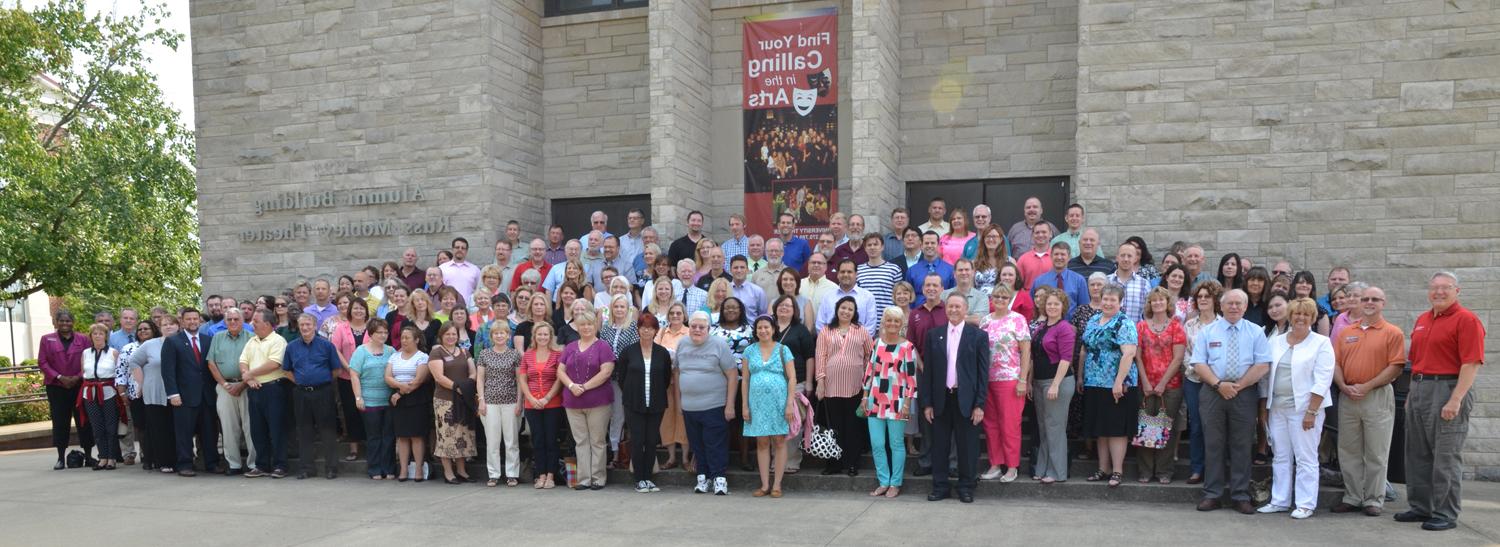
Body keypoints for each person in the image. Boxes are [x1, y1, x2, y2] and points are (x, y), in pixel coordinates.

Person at [1398, 272, 1485, 531]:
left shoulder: (1467, 320)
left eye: (1445, 288)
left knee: (1445, 456)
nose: (1439, 292)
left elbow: (1471, 363)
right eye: (1434, 288)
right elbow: (1416, 360)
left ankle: (1445, 513)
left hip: (1448, 388)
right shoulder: (1424, 319)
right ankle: (1420, 507)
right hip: (1420, 388)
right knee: (1417, 453)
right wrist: (1412, 394)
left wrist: (1456, 399)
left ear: (1457, 290)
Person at [1191, 289, 1272, 514]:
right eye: (1230, 303)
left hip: (1243, 392)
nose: (1234, 307)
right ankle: (1212, 494)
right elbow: (1198, 363)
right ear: (1222, 306)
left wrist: (1239, 386)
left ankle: (1240, 495)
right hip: (1212, 391)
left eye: (1239, 303)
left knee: (1242, 444)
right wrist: (1219, 385)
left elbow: (1263, 364)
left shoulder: (1256, 332)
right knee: (1214, 444)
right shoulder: (1208, 331)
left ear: (1245, 307)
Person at [1331, 285, 1405, 516]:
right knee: (1349, 450)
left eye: (1375, 299)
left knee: (1376, 451)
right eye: (1365, 299)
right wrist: (1343, 385)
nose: (1369, 302)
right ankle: (1352, 496)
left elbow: (1396, 367)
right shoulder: (1346, 332)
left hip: (1376, 396)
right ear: (1359, 303)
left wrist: (1367, 386)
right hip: (1348, 395)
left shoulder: (1392, 332)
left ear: (1383, 303)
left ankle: (1374, 499)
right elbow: (1335, 363)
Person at [1258, 297, 1334, 519]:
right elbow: (1266, 377)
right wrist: (1265, 408)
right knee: (1280, 456)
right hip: (1278, 408)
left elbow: (1323, 379)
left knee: (1305, 458)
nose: (1300, 318)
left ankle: (1305, 503)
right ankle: (1279, 500)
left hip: (1305, 410)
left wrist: (1311, 411)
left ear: (1312, 318)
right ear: (1290, 316)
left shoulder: (1321, 343)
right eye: (1296, 314)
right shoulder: (1276, 341)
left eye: (1306, 314)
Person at [920, 293, 990, 503]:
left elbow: (982, 373)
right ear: (946, 308)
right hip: (941, 399)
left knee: (967, 446)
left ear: (966, 309)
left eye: (958, 307)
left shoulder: (977, 336)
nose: (953, 310)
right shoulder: (934, 335)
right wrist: (927, 403)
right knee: (940, 446)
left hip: (966, 400)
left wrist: (979, 404)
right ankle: (940, 486)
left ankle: (966, 487)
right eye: (950, 306)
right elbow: (929, 372)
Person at [1078, 285, 1139, 488]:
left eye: (1113, 299)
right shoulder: (1093, 320)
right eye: (1105, 299)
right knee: (1100, 428)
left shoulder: (1125, 322)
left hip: (1116, 383)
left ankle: (1117, 471)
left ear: (1120, 302)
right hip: (1094, 381)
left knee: (1115, 429)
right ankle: (1102, 469)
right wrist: (1080, 377)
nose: (1108, 302)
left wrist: (1119, 382)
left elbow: (1129, 353)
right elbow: (1084, 349)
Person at [675, 311, 740, 495]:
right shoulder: (682, 344)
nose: (697, 330)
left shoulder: (719, 345)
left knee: (715, 444)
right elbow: (678, 373)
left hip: (714, 405)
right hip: (689, 406)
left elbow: (732, 375)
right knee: (697, 445)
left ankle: (719, 479)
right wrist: (679, 401)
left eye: (701, 327)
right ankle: (703, 478)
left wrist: (730, 405)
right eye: (694, 326)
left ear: (708, 329)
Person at [862, 306, 918, 497]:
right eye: (889, 320)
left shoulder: (908, 347)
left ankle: (895, 483)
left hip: (897, 400)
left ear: (901, 323)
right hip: (875, 399)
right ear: (884, 322)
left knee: (896, 443)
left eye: (896, 320)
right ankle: (883, 481)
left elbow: (911, 378)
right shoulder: (876, 343)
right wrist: (864, 396)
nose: (892, 324)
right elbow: (870, 371)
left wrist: (908, 403)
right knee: (877, 443)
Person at [815, 296, 874, 476]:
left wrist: (867, 382)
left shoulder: (861, 331)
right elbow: (821, 356)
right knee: (834, 426)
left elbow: (869, 356)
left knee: (853, 427)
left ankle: (852, 464)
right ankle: (834, 464)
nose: (846, 311)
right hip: (831, 386)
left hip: (855, 386)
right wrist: (820, 382)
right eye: (843, 308)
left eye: (850, 309)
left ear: (854, 312)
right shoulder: (826, 330)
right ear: (837, 309)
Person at [557, 309, 615, 490]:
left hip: (598, 401)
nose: (586, 327)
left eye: (590, 324)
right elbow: (560, 371)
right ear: (578, 328)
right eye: (582, 324)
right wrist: (572, 386)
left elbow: (606, 372)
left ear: (595, 325)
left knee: (597, 440)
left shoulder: (603, 346)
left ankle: (598, 478)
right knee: (580, 441)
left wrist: (584, 387)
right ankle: (583, 479)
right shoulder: (570, 347)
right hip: (573, 401)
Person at [979, 285, 1031, 482]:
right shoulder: (985, 320)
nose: (1000, 299)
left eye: (1004, 296)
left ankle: (1011, 466)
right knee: (991, 424)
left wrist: (1022, 380)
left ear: (1009, 298)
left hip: (1010, 378)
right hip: (988, 379)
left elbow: (1026, 351)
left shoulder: (1017, 320)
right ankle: (995, 464)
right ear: (991, 298)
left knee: (1010, 424)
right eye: (996, 296)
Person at [1135, 287, 1186, 484]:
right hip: (1145, 384)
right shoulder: (1140, 326)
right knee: (1146, 426)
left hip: (1171, 385)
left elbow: (1178, 357)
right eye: (1153, 301)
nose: (1157, 303)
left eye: (1161, 300)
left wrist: (1163, 383)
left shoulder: (1176, 327)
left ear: (1167, 303)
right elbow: (1137, 356)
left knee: (1167, 429)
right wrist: (1146, 382)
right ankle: (1146, 471)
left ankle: (1164, 471)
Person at [741, 316, 797, 498]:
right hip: (756, 403)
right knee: (762, 442)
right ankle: (765, 484)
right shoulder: (749, 351)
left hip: (778, 402)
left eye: (766, 327)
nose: (763, 331)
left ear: (773, 329)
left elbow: (792, 378)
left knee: (779, 441)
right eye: (759, 328)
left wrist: (789, 403)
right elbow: (745, 380)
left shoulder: (783, 350)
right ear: (755, 331)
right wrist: (744, 405)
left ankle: (777, 485)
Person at [618, 314, 674, 493]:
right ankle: (639, 479)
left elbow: (665, 378)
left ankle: (648, 478)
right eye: (643, 327)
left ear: (656, 330)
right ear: (638, 330)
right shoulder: (628, 351)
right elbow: (622, 378)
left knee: (651, 441)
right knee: (637, 440)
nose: (646, 330)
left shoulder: (662, 353)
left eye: (650, 327)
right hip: (634, 403)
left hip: (656, 403)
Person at [283, 313, 343, 480]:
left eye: (308, 324)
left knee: (328, 431)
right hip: (301, 393)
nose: (305, 328)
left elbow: (336, 370)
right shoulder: (291, 347)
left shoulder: (326, 346)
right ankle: (307, 468)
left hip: (323, 392)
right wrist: (301, 382)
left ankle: (331, 468)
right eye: (302, 325)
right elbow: (286, 370)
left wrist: (320, 381)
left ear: (315, 326)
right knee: (304, 431)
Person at [162, 308, 218, 476]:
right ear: (182, 322)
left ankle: (212, 463)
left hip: (207, 395)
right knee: (184, 433)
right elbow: (168, 371)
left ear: (199, 321)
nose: (192, 322)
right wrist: (173, 394)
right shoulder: (173, 342)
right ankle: (185, 464)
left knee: (210, 432)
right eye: (189, 319)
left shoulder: (208, 340)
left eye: (195, 319)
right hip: (184, 396)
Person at [1030, 288, 1076, 483]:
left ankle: (1057, 472)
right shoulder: (1041, 327)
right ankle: (1042, 468)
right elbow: (1034, 356)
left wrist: (1055, 385)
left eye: (1056, 304)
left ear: (1062, 307)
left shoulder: (1064, 327)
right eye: (1049, 303)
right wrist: (1031, 381)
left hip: (1057, 382)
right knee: (1043, 427)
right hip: (1040, 382)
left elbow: (1066, 359)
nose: (1052, 307)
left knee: (1055, 427)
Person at [39, 310, 94, 470]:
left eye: (68, 321)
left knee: (84, 421)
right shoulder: (46, 339)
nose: (65, 324)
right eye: (61, 321)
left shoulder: (83, 339)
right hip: (57, 387)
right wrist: (59, 377)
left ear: (73, 322)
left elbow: (89, 360)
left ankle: (89, 455)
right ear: (56, 322)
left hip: (79, 385)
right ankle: (60, 458)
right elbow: (43, 362)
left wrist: (78, 376)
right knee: (60, 422)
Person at [239, 309, 289, 478]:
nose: (252, 324)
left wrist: (250, 374)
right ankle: (262, 465)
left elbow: (274, 363)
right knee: (257, 429)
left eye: (256, 321)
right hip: (254, 389)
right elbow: (243, 361)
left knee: (277, 429)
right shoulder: (251, 341)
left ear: (267, 324)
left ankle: (280, 465)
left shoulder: (278, 340)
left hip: (273, 389)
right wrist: (249, 379)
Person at [206, 308, 255, 475]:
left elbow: (255, 364)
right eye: (230, 320)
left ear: (242, 321)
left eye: (236, 319)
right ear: (225, 322)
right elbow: (211, 363)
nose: (233, 322)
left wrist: (242, 384)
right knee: (228, 427)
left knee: (250, 426)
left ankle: (253, 463)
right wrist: (225, 384)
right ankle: (233, 464)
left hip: (247, 386)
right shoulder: (217, 338)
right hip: (224, 387)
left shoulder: (251, 338)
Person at [428, 322, 477, 484]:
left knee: (462, 435)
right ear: (441, 335)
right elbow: (439, 377)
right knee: (447, 435)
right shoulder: (436, 353)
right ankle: (449, 472)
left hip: (464, 400)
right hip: (445, 400)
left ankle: (462, 471)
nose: (451, 337)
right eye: (447, 334)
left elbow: (473, 373)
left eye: (454, 334)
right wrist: (457, 388)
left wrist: (466, 387)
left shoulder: (464, 351)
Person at [348, 318, 397, 480]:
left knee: (389, 436)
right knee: (374, 436)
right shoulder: (361, 351)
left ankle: (389, 468)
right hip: (369, 400)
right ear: (371, 334)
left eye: (385, 332)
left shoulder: (391, 351)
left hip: (388, 400)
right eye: (379, 332)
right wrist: (358, 397)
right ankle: (375, 468)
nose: (383, 335)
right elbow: (354, 374)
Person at [476, 321, 522, 487]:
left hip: (510, 402)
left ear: (508, 335)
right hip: (490, 402)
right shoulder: (484, 354)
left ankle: (512, 474)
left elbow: (519, 380)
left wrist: (519, 402)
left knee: (511, 440)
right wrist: (481, 400)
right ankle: (494, 474)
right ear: (492, 336)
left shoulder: (515, 354)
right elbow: (480, 379)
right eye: (496, 333)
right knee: (493, 441)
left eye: (502, 333)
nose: (499, 336)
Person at [126, 319, 176, 472]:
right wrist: (141, 383)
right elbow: (133, 362)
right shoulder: (150, 345)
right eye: (165, 324)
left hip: (177, 392)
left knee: (174, 428)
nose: (168, 326)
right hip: (155, 391)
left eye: (172, 324)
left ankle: (177, 459)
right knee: (158, 428)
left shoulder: (182, 342)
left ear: (178, 326)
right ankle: (163, 462)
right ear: (159, 328)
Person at [519, 322, 563, 489]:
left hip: (552, 403)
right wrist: (530, 397)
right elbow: (523, 379)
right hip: (532, 404)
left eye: (546, 334)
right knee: (537, 440)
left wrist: (547, 398)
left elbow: (559, 378)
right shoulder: (528, 355)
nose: (543, 337)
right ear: (534, 336)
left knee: (551, 440)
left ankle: (551, 475)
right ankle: (541, 475)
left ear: (550, 336)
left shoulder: (557, 354)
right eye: (540, 334)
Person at [599, 294, 640, 468]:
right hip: (608, 379)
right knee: (614, 416)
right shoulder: (606, 328)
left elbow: (632, 352)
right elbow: (601, 351)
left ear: (628, 309)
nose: (619, 310)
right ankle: (614, 452)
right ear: (611, 309)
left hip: (627, 379)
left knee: (626, 416)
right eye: (616, 307)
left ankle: (626, 454)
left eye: (622, 307)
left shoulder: (632, 328)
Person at [78, 323, 123, 470]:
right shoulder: (85, 353)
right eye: (94, 333)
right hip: (90, 392)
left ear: (105, 336)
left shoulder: (114, 353)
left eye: (101, 333)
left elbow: (119, 373)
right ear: (91, 336)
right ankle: (102, 457)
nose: (97, 336)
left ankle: (112, 458)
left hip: (108, 391)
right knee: (97, 426)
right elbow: (83, 373)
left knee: (110, 425)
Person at [655, 303, 693, 471]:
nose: (675, 316)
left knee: (683, 417)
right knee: (666, 419)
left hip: (685, 380)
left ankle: (685, 457)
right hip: (664, 381)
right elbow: (655, 352)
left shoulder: (690, 332)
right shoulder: (662, 332)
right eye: (672, 313)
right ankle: (671, 457)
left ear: (684, 315)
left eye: (679, 313)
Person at [818, 259, 878, 335]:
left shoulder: (868, 297)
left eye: (849, 272)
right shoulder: (828, 296)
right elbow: (820, 324)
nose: (845, 274)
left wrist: (855, 342)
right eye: (842, 272)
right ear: (838, 274)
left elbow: (871, 326)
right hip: (830, 344)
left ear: (856, 274)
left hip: (859, 345)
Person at [1030, 242, 1088, 315]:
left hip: (1071, 325)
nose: (1059, 257)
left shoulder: (1079, 280)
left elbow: (1084, 309)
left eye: (1063, 254)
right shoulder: (1039, 281)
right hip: (1046, 325)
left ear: (1069, 257)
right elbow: (1032, 306)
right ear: (1051, 256)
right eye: (1056, 254)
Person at [907, 232, 955, 306]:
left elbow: (953, 295)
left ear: (938, 246)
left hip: (943, 314)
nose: (929, 246)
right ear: (921, 246)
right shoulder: (912, 271)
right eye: (926, 243)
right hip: (919, 314)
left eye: (933, 243)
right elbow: (908, 297)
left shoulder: (950, 270)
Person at [1107, 243, 1152, 322]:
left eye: (1129, 256)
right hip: (1109, 333)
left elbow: (1148, 314)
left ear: (1135, 259)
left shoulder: (1144, 284)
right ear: (1117, 257)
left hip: (1136, 333)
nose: (1126, 259)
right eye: (1122, 255)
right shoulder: (1106, 281)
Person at [941, 259, 988, 325]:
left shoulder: (982, 296)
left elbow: (979, 320)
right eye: (960, 270)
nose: (964, 273)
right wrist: (969, 317)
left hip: (972, 334)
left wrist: (954, 316)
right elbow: (940, 318)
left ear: (973, 273)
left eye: (967, 270)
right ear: (954, 274)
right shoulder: (943, 295)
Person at [971, 225, 1009, 292]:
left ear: (1000, 239)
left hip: (1000, 300)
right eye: (988, 236)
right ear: (983, 239)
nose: (991, 239)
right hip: (979, 301)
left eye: (994, 236)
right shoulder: (974, 263)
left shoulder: (1009, 262)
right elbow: (970, 288)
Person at [1015, 222, 1054, 287]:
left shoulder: (1057, 258)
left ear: (1050, 234)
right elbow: (1017, 285)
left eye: (1044, 232)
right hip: (1029, 297)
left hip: (1052, 296)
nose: (1040, 235)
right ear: (1032, 235)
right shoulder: (1023, 259)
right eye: (1037, 232)